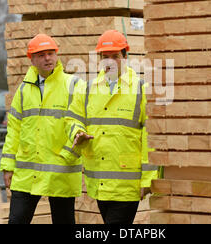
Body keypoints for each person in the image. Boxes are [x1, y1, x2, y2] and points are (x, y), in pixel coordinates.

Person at [60, 30, 158, 224]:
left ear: (125, 57)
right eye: (106, 57)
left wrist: (148, 180)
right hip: (99, 183)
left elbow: (152, 140)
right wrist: (77, 131)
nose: (110, 62)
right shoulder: (88, 90)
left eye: (115, 56)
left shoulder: (141, 90)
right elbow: (71, 119)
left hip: (126, 184)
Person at [0, 34, 83, 224]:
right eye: (42, 54)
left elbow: (82, 126)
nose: (47, 58)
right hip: (28, 172)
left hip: (60, 170)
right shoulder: (23, 90)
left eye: (51, 53)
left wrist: (68, 156)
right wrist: (7, 166)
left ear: (56, 55)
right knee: (17, 220)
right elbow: (14, 131)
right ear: (32, 59)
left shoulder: (73, 85)